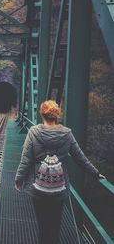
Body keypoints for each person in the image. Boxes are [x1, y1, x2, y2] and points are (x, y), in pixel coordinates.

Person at [14, 100, 105, 244]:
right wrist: (96, 173)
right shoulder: (67, 134)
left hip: (38, 186)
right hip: (59, 186)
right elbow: (80, 158)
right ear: (57, 115)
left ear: (42, 114)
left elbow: (26, 160)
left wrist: (19, 179)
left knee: (43, 225)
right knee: (55, 225)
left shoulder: (33, 132)